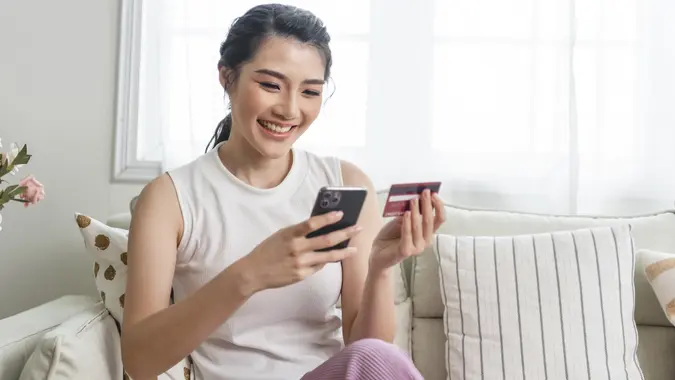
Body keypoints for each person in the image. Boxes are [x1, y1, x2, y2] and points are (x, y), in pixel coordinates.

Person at [120, 4, 445, 380]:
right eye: (270, 85)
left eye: (310, 91)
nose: (290, 110)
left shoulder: (345, 183)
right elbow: (139, 362)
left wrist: (380, 268)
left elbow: (367, 352)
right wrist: (251, 273)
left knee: (376, 357)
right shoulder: (169, 199)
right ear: (227, 77)